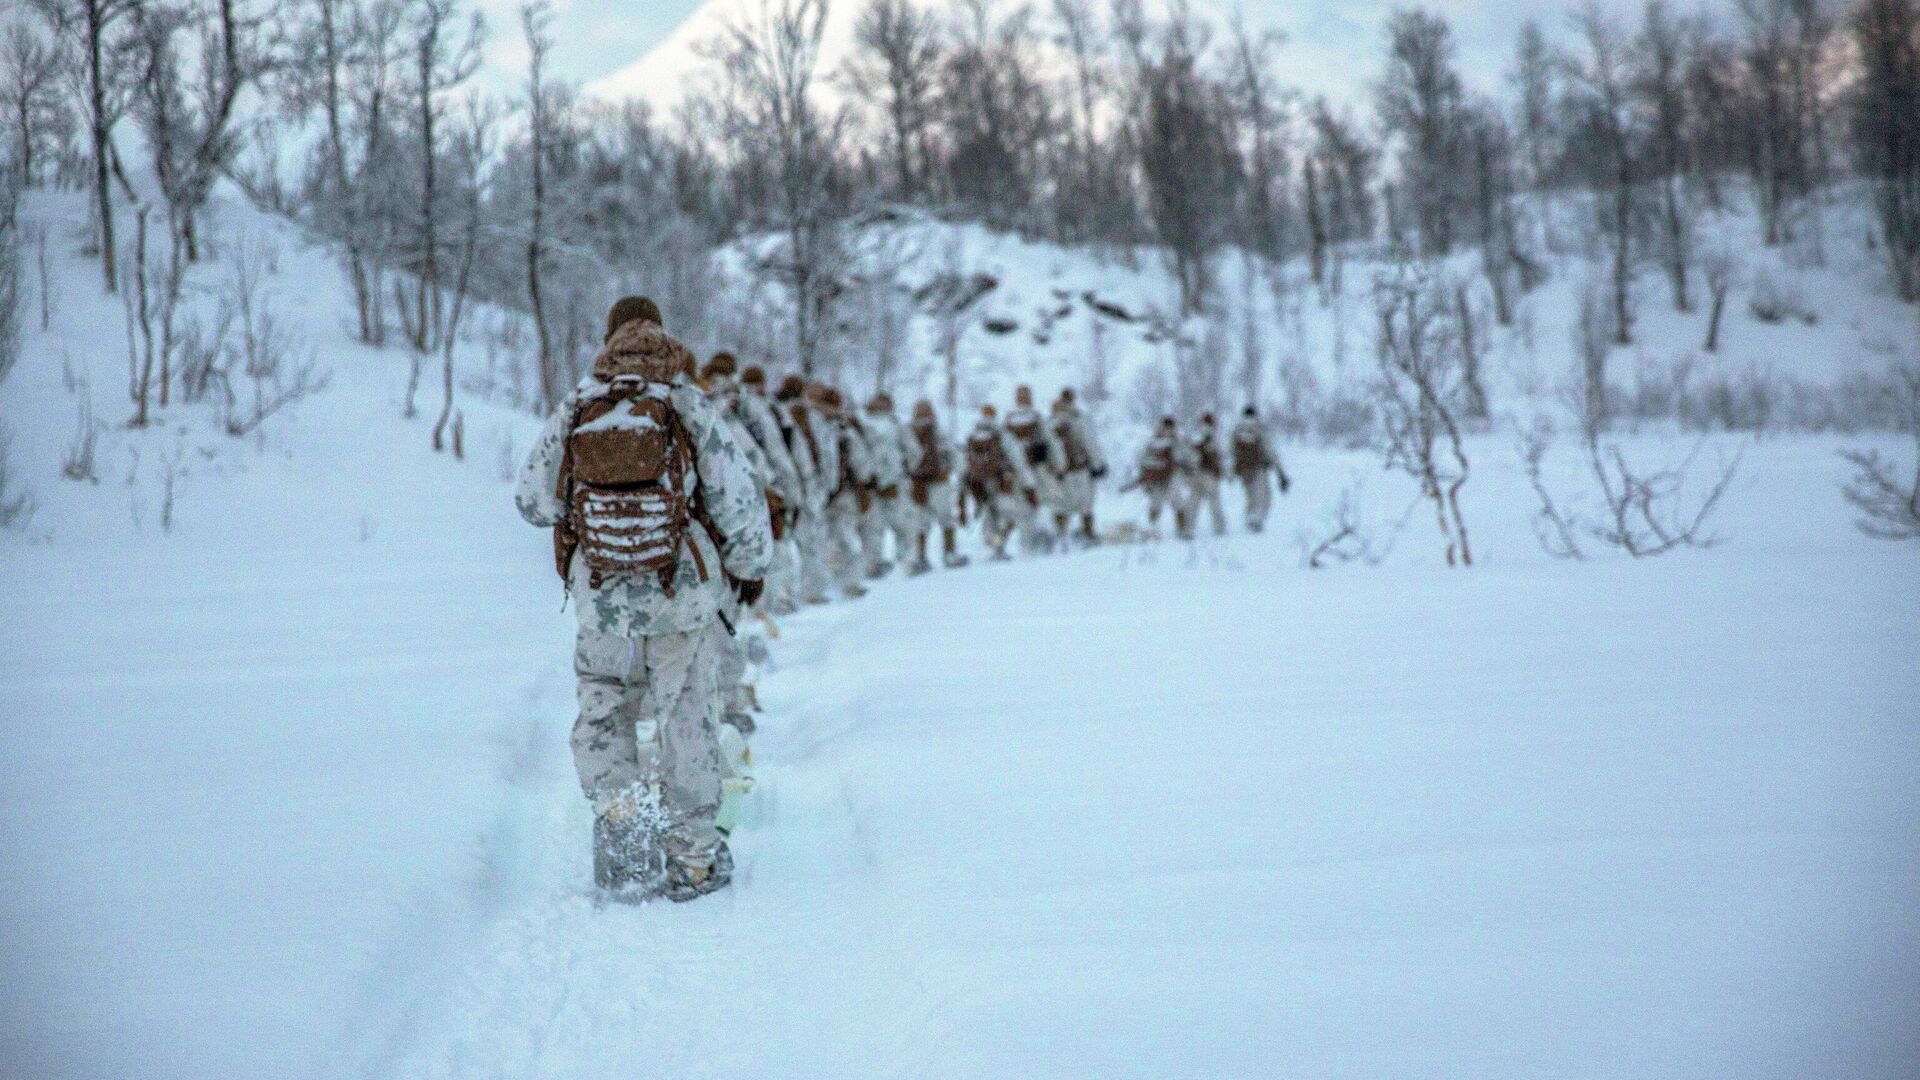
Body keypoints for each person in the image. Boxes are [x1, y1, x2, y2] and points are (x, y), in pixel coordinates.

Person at [515, 297, 772, 903]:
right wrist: (749, 567)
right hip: (678, 595)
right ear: (662, 334)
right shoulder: (685, 400)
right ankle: (693, 861)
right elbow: (739, 500)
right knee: (687, 717)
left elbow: (532, 502)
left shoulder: (580, 403)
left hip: (601, 597)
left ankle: (626, 841)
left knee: (604, 711)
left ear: (608, 340)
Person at [735, 364, 807, 613]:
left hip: (727, 492)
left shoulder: (713, 401)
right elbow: (780, 455)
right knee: (776, 551)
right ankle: (776, 605)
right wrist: (792, 495)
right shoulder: (764, 410)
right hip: (763, 487)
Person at [775, 374, 834, 606]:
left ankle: (784, 595)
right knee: (810, 542)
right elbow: (822, 454)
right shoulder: (811, 418)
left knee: (782, 542)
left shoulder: (775, 411)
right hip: (805, 485)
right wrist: (825, 485)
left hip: (779, 485)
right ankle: (811, 591)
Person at [813, 383, 872, 599]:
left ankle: (831, 584)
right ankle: (847, 583)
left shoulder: (813, 428)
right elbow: (863, 464)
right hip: (841, 493)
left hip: (822, 494)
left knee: (826, 540)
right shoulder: (844, 430)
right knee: (844, 539)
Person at [962, 403, 1035, 560]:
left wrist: (965, 488)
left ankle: (995, 546)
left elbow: (965, 464)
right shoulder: (1003, 435)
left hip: (982, 483)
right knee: (1008, 515)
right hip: (1003, 481)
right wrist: (1029, 485)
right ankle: (1000, 547)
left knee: (990, 515)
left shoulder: (972, 436)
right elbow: (1018, 461)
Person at [904, 398, 967, 573]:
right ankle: (949, 554)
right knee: (945, 518)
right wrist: (955, 470)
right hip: (938, 482)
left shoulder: (909, 431)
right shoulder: (938, 432)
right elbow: (953, 454)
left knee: (922, 520)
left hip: (918, 484)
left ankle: (921, 557)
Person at [859, 393, 918, 578]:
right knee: (904, 525)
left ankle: (872, 564)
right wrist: (906, 469)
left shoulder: (863, 424)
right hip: (895, 482)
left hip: (871, 484)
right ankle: (905, 562)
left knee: (873, 528)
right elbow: (915, 452)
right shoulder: (896, 426)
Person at [1002, 385, 1062, 554]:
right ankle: (1046, 542)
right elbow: (1052, 443)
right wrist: (1058, 466)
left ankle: (1026, 547)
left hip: (1017, 473)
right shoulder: (1037, 418)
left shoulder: (1008, 421)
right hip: (1039, 470)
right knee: (1047, 504)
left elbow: (1004, 448)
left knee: (1023, 511)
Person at [1048, 388, 1106, 545]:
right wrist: (1098, 465)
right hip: (1079, 468)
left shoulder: (1050, 421)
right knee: (1085, 504)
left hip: (1059, 472)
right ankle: (1088, 535)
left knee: (1061, 504)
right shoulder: (1079, 418)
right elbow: (1090, 442)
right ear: (1073, 399)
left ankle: (1060, 537)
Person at [1131, 416, 1198, 539]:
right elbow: (1189, 458)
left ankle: (1159, 529)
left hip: (1167, 477)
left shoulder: (1157, 441)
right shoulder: (1171, 441)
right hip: (1168, 477)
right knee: (1170, 503)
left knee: (1163, 504)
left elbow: (1143, 460)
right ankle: (1173, 530)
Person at [1229, 405, 1291, 533]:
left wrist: (1231, 472)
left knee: (1250, 497)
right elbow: (1270, 451)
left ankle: (1249, 520)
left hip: (1243, 470)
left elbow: (1231, 453)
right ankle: (1256, 522)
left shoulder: (1237, 430)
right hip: (1259, 469)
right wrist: (1281, 473)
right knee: (1264, 497)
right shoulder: (1259, 429)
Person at [1188, 412, 1228, 536]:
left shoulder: (1196, 435)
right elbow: (1220, 455)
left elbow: (1190, 455)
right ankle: (1219, 527)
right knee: (1214, 501)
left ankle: (1188, 528)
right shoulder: (1213, 436)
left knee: (1194, 502)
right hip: (1209, 475)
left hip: (1197, 474)